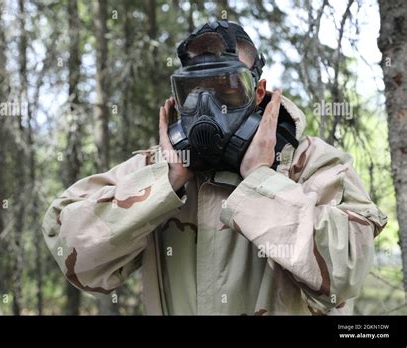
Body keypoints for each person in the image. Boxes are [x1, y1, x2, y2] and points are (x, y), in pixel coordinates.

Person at [42, 21, 387, 315]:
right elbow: (71, 250)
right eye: (192, 91)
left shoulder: (312, 164)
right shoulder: (159, 167)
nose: (206, 105)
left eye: (227, 87)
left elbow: (346, 275)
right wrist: (166, 182)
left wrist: (262, 182)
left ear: (258, 93)